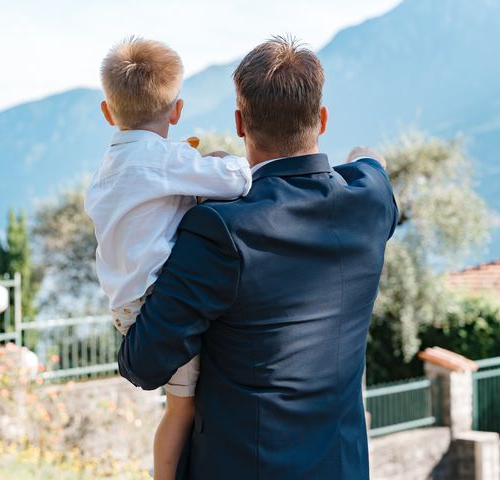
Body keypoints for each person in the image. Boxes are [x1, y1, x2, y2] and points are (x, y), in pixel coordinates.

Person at [118, 36, 398, 479]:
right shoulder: (371, 201)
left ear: (240, 124)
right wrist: (360, 164)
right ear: (321, 120)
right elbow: (370, 161)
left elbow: (144, 363)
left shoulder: (220, 228)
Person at [84, 37, 252, 479]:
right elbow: (236, 180)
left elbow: (148, 213)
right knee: (183, 408)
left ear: (108, 112)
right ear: (176, 111)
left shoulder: (107, 168)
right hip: (159, 301)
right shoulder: (164, 158)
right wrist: (216, 158)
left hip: (124, 305)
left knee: (174, 407)